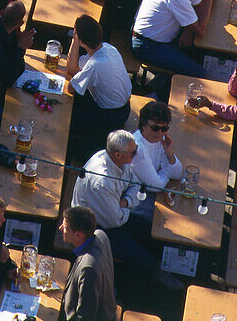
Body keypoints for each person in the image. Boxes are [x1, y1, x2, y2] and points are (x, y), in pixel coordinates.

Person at [72, 131, 181, 289]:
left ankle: (164, 268)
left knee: (151, 233)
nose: (136, 155)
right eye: (133, 152)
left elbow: (136, 185)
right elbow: (114, 221)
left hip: (115, 213)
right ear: (117, 154)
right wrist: (125, 206)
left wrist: (125, 202)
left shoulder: (119, 161)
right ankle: (121, 286)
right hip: (92, 228)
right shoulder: (102, 182)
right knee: (143, 258)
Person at [131, 0, 217, 77]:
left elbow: (198, 5)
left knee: (198, 52)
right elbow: (200, 30)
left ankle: (163, 80)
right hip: (148, 44)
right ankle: (160, 91)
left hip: (157, 37)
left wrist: (188, 29)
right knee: (200, 74)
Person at [66, 15, 131, 159]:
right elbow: (75, 70)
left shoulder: (94, 65)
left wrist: (74, 41)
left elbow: (71, 87)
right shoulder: (109, 48)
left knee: (65, 117)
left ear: (82, 42)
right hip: (125, 107)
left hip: (111, 118)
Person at [59, 206, 117, 321]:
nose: (60, 228)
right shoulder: (100, 235)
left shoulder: (88, 269)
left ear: (78, 235)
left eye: (65, 227)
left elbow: (85, 316)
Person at [128, 101, 182, 216]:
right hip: (135, 198)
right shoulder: (138, 148)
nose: (159, 133)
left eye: (164, 128)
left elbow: (177, 174)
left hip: (151, 188)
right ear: (143, 124)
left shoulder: (159, 141)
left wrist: (169, 152)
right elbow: (156, 186)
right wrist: (166, 172)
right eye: (155, 128)